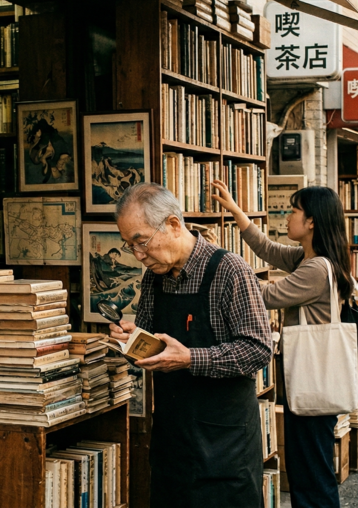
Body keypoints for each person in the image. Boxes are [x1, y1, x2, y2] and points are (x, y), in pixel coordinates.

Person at [109, 183, 272, 508]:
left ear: (172, 224)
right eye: (130, 246)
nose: (139, 256)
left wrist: (190, 359)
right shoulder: (154, 277)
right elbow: (153, 339)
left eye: (142, 242)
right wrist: (135, 339)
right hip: (173, 440)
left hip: (226, 446)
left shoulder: (230, 270)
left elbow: (258, 348)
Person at [211, 178, 347, 508]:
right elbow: (268, 249)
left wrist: (213, 264)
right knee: (308, 470)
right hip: (311, 378)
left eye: (294, 210)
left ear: (311, 221)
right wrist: (237, 212)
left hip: (313, 381)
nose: (287, 217)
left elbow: (264, 296)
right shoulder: (309, 258)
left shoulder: (316, 268)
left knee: (312, 474)